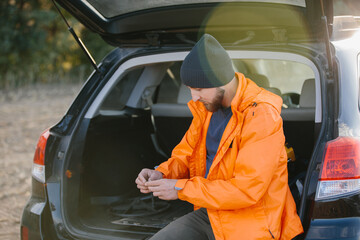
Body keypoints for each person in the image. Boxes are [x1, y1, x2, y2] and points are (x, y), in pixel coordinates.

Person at [135, 34, 303, 240]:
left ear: (220, 79)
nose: (194, 97)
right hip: (212, 213)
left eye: (198, 89)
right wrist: (161, 174)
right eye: (190, 89)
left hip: (254, 224)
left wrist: (180, 188)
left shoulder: (260, 115)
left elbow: (246, 189)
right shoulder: (206, 108)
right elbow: (186, 154)